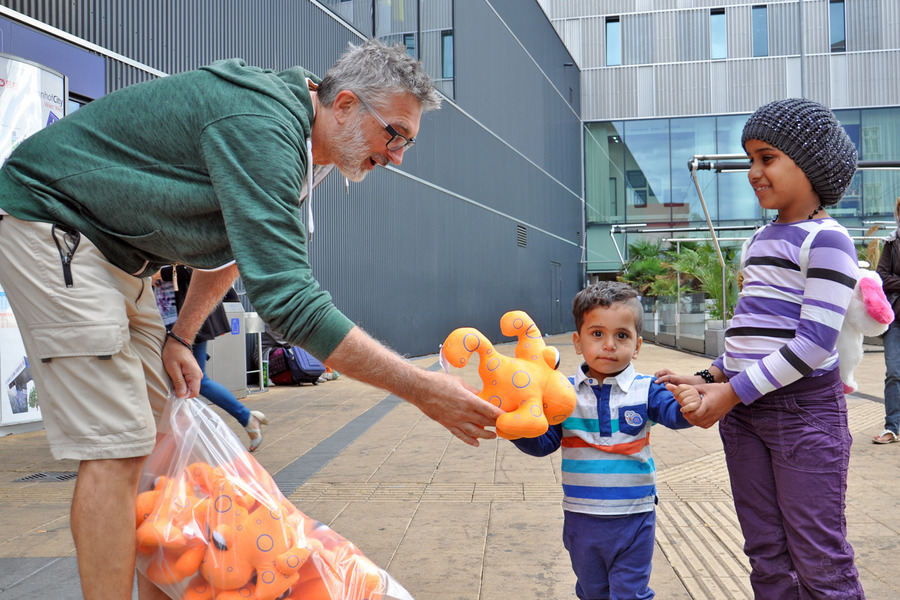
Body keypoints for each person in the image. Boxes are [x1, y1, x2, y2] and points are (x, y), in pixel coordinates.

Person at [0, 39, 505, 600]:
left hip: (120, 257)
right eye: (395, 135)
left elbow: (235, 251)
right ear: (343, 105)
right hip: (53, 226)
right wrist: (420, 389)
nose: (397, 157)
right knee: (118, 450)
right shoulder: (264, 126)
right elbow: (288, 300)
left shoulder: (304, 146)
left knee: (161, 448)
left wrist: (182, 336)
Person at [656, 98, 866, 598]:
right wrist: (709, 378)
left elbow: (814, 343)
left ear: (810, 163)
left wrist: (730, 394)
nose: (753, 171)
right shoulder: (757, 240)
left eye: (766, 157)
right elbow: (751, 333)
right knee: (765, 553)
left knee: (818, 556)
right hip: (747, 417)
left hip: (804, 416)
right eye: (750, 158)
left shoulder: (828, 241)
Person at [511, 281, 696, 600]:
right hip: (582, 519)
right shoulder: (561, 394)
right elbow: (544, 443)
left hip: (635, 519)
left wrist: (689, 402)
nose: (609, 345)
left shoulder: (647, 389)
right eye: (597, 334)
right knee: (592, 592)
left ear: (637, 345)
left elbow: (674, 414)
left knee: (630, 594)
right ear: (577, 342)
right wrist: (515, 424)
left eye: (622, 335)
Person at [153, 265, 268, 451]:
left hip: (187, 318)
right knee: (187, 381)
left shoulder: (180, 244)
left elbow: (194, 268)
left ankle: (245, 418)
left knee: (195, 380)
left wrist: (159, 274)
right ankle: (244, 419)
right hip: (171, 316)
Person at [874, 197, 900, 444]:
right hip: (895, 320)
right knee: (894, 372)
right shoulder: (892, 243)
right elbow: (881, 276)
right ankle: (892, 427)